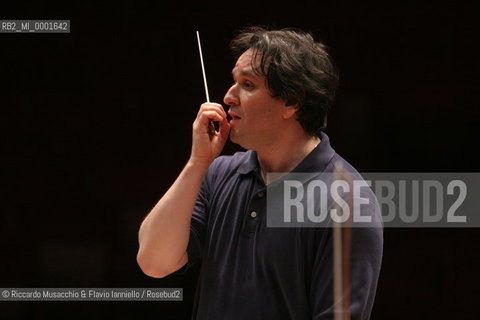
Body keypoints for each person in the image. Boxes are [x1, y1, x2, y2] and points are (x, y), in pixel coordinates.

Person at [137, 26, 383, 319]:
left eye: (248, 84)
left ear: (292, 101)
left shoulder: (348, 202)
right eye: (234, 82)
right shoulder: (218, 174)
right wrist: (197, 163)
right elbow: (154, 262)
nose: (228, 96)